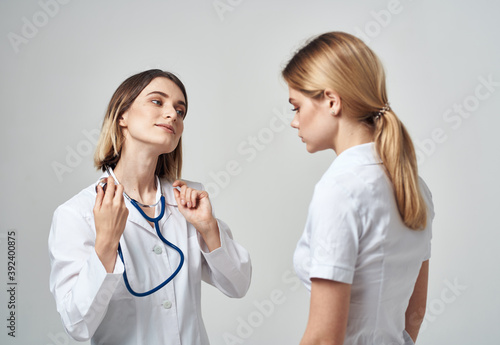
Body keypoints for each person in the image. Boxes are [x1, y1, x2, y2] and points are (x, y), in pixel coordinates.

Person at [48, 69, 251, 345]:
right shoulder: (77, 213)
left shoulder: (189, 200)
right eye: (158, 102)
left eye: (180, 111)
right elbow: (77, 325)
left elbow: (238, 284)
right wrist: (106, 243)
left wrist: (208, 228)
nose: (173, 115)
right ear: (123, 116)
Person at [282, 32, 434, 345]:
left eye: (295, 107)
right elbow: (415, 314)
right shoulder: (415, 186)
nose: (294, 122)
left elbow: (325, 337)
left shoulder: (340, 190)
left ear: (331, 101)